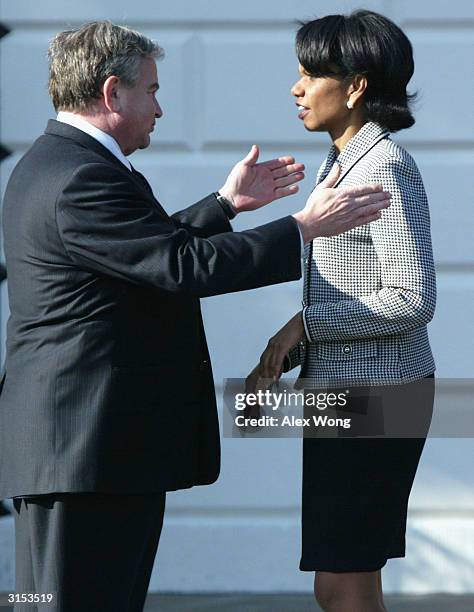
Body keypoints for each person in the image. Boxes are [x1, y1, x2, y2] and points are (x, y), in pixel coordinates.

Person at [0, 20, 390, 612]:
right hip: (84, 451)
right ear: (112, 94)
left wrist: (224, 205)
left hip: (93, 451)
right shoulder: (79, 176)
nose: (160, 109)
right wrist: (301, 228)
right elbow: (179, 267)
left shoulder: (65, 163)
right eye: (152, 91)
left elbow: (141, 254)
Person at [247, 10, 436, 612]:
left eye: (310, 75)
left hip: (380, 397)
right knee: (350, 576)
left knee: (340, 580)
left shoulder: (384, 165)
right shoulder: (341, 161)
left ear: (355, 87)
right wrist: (293, 345)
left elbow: (412, 300)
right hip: (347, 395)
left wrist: (301, 327)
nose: (295, 89)